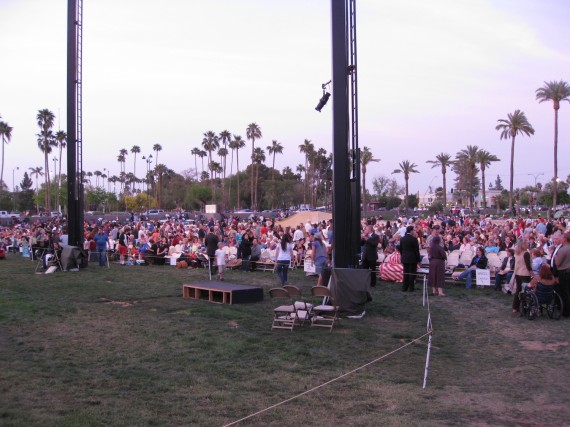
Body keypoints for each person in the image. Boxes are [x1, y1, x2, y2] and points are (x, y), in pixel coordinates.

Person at [511, 240, 532, 313]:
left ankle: (515, 307)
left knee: (518, 290)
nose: (528, 244)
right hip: (524, 273)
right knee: (526, 290)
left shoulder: (517, 253)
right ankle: (525, 306)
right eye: (527, 243)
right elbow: (528, 265)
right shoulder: (526, 253)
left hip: (517, 273)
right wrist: (531, 272)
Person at [399, 226, 421, 292]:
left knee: (405, 273)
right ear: (411, 231)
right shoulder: (414, 239)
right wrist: (419, 259)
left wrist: (403, 255)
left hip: (405, 258)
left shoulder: (402, 239)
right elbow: (416, 250)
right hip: (412, 258)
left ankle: (404, 287)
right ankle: (411, 288)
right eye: (413, 230)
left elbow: (400, 249)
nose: (414, 231)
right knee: (412, 273)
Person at [554, 232, 570, 317]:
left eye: (562, 238)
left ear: (565, 239)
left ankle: (566, 311)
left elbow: (557, 263)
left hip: (564, 273)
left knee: (564, 292)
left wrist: (555, 258)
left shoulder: (563, 249)